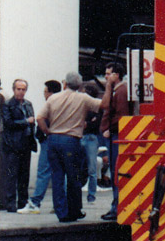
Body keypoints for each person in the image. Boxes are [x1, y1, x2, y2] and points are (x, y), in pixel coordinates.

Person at [35, 72, 100, 223]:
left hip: (53, 139)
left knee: (57, 177)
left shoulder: (53, 97)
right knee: (73, 176)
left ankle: (61, 212)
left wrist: (47, 131)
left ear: (65, 84)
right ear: (79, 85)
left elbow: (39, 117)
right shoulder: (82, 97)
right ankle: (74, 210)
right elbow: (101, 105)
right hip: (70, 140)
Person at [17, 81, 61, 214]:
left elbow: (41, 119)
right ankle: (61, 203)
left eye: (45, 91)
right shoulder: (62, 104)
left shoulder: (50, 105)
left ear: (50, 92)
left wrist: (44, 132)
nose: (44, 94)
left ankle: (35, 203)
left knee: (43, 171)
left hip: (48, 141)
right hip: (60, 141)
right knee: (59, 172)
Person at [0, 79, 38, 212]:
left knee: (24, 175)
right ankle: (10, 203)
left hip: (26, 143)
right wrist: (26, 121)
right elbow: (9, 123)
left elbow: (33, 121)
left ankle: (23, 202)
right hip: (13, 144)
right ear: (13, 89)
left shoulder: (28, 104)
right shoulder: (8, 104)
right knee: (12, 175)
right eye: (18, 89)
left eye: (23, 89)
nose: (21, 92)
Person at [98, 62, 130, 221]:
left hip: (116, 136)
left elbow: (121, 115)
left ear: (116, 75)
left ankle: (117, 207)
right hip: (112, 135)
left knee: (116, 171)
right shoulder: (115, 90)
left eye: (108, 73)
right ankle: (116, 206)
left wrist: (110, 129)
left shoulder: (121, 92)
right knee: (114, 171)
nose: (106, 76)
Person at [81, 80, 103, 204]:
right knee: (91, 168)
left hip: (88, 137)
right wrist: (90, 122)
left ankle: (91, 195)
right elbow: (93, 122)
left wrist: (87, 123)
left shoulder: (94, 107)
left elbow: (95, 123)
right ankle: (91, 195)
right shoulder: (94, 108)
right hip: (89, 137)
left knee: (91, 168)